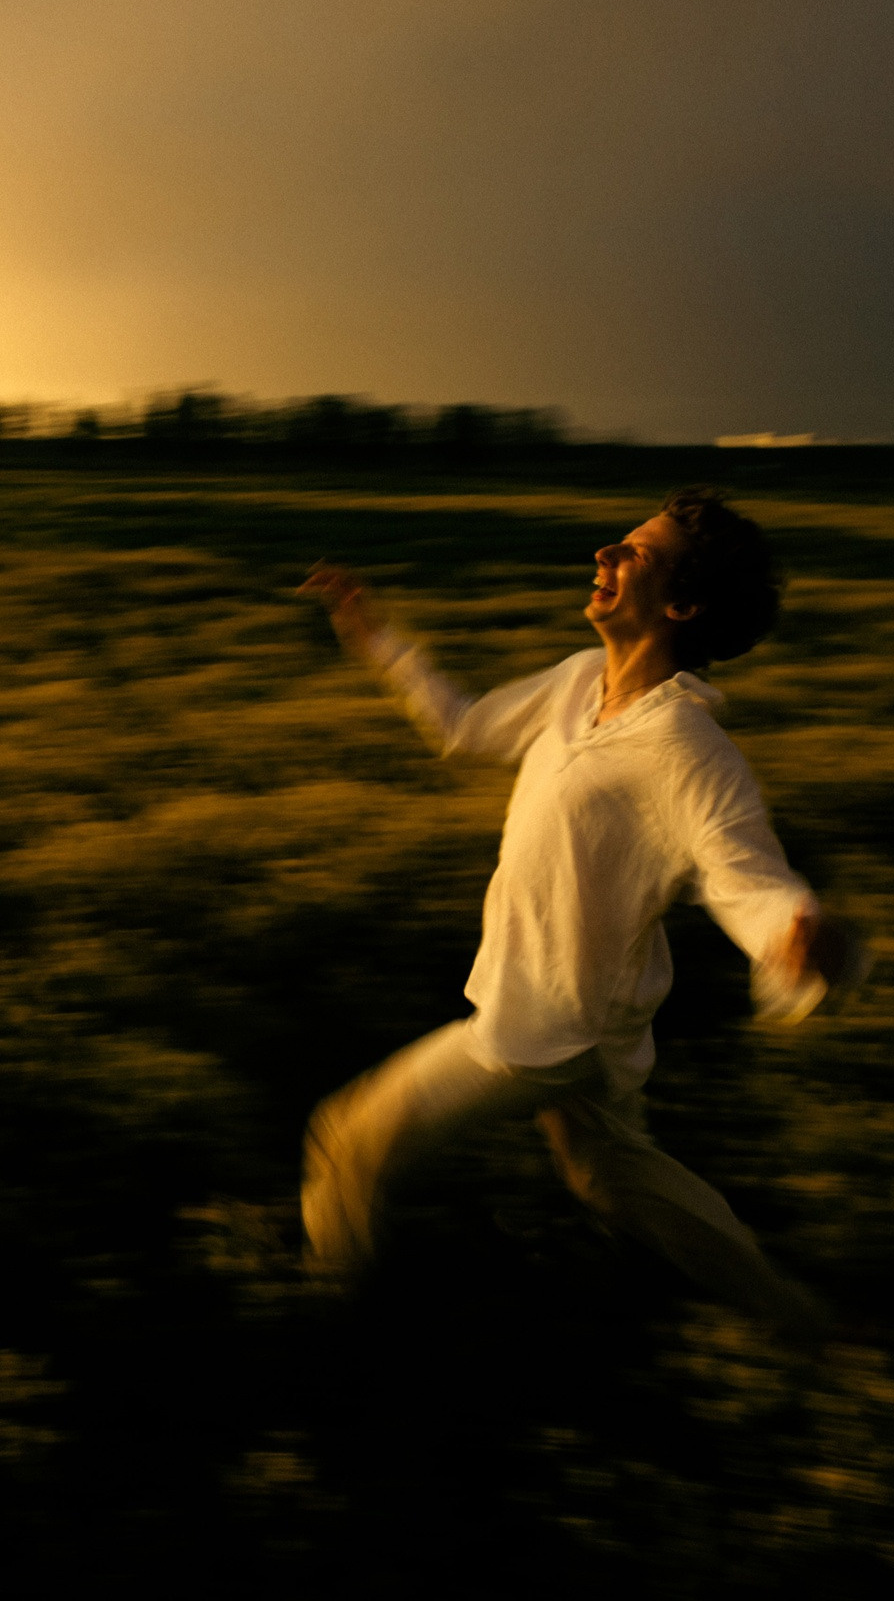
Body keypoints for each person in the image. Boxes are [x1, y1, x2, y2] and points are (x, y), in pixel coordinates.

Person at [296, 488, 858, 1348]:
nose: (604, 556)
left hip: (538, 1031)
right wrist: (375, 636)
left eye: (634, 552)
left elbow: (744, 874)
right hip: (589, 1020)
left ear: (678, 606)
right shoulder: (574, 684)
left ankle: (325, 1334)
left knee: (347, 1140)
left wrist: (797, 934)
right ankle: (798, 1318)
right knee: (611, 1176)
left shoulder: (689, 751)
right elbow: (464, 726)